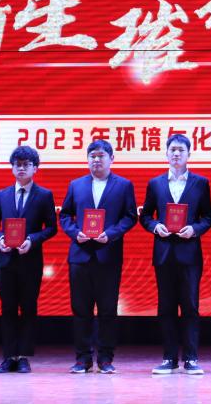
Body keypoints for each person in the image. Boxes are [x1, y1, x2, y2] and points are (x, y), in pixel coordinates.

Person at [59, 139, 138, 374]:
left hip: (108, 255)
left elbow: (130, 216)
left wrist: (110, 234)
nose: (96, 160)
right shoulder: (76, 185)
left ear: (111, 159)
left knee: (107, 310)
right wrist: (76, 233)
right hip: (80, 255)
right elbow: (65, 216)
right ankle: (82, 358)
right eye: (92, 156)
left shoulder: (124, 185)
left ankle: (105, 358)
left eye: (101, 156)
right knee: (80, 309)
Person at [140, 134, 211, 375]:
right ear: (166, 153)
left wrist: (195, 229)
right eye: (172, 149)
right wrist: (155, 227)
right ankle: (169, 358)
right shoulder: (155, 183)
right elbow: (145, 216)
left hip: (189, 253)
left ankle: (191, 358)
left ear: (189, 154)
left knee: (190, 306)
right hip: (163, 253)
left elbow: (208, 217)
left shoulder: (200, 183)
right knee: (166, 307)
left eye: (181, 150)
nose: (176, 154)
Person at [0, 145, 57, 373]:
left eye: (27, 164)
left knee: (28, 308)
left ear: (35, 168)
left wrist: (32, 240)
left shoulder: (44, 195)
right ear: (12, 168)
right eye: (17, 164)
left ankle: (24, 356)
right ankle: (9, 356)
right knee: (7, 308)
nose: (22, 168)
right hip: (5, 261)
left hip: (30, 261)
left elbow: (52, 228)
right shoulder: (2, 195)